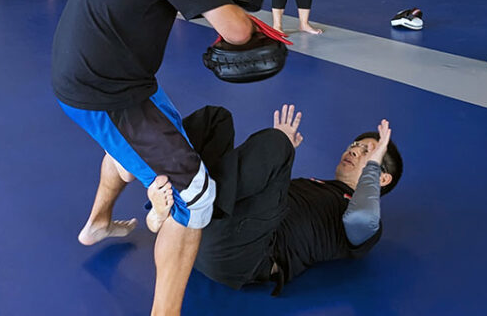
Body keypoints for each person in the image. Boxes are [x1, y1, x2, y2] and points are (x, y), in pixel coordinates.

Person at [52, 0, 254, 315]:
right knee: (196, 195)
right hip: (105, 90)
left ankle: (98, 222)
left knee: (135, 149)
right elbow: (236, 30)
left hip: (102, 72)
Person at [147, 104, 402, 296]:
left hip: (241, 253)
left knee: (278, 143)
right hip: (216, 227)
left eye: (367, 152)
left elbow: (361, 217)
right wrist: (270, 161)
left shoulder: (367, 223)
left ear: (382, 179)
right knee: (216, 120)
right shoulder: (318, 185)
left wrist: (279, 151)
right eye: (355, 144)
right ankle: (152, 174)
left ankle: (181, 203)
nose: (354, 149)